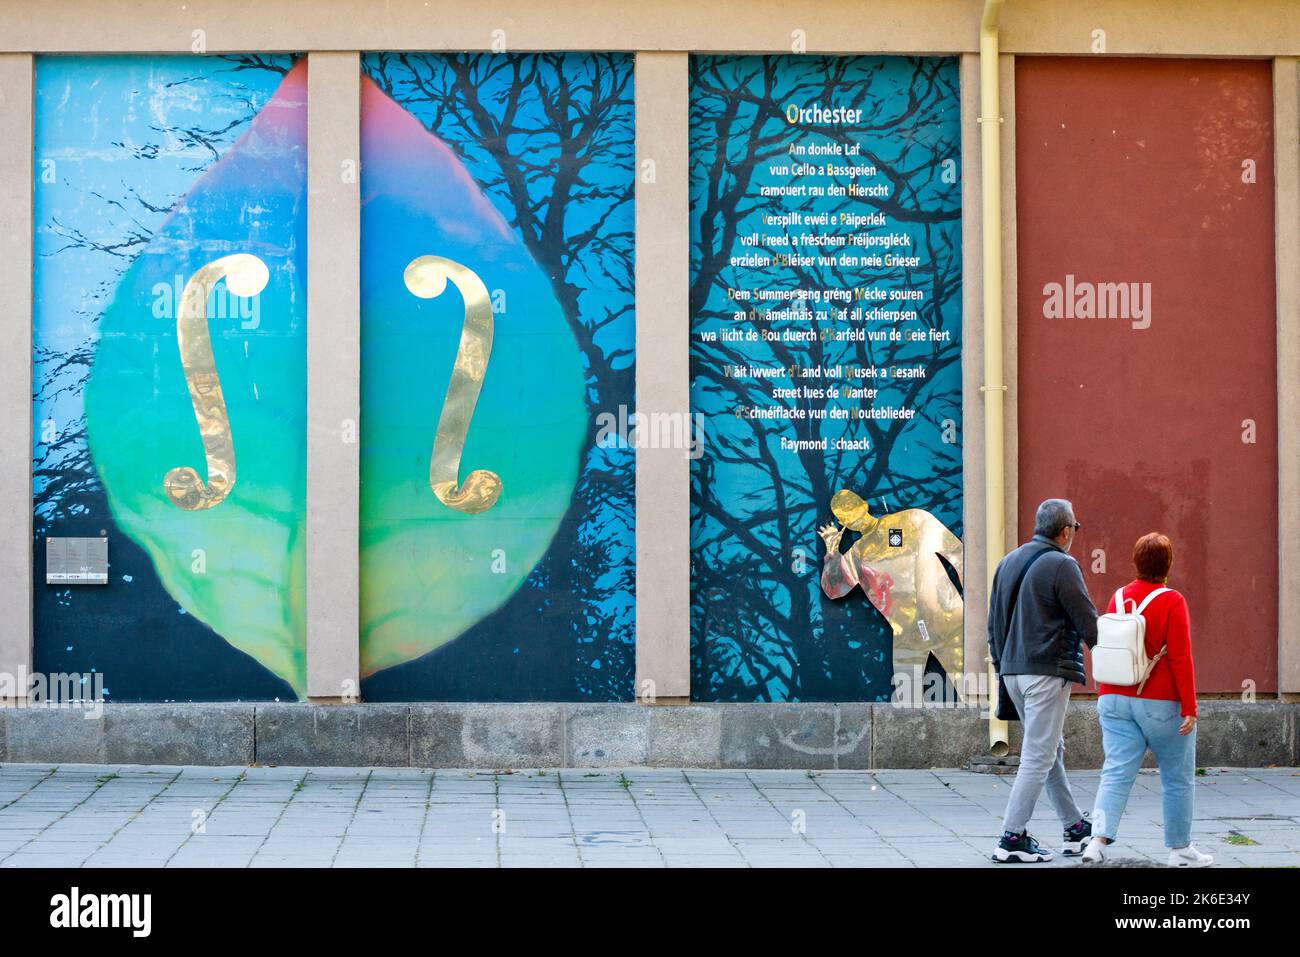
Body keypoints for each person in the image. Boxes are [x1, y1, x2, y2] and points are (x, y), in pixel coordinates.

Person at [1082, 533, 1212, 867]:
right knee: (1177, 776)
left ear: (1136, 562)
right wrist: (1190, 707)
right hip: (1159, 701)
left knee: (1116, 772)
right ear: (1168, 564)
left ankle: (1096, 843)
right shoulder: (1173, 601)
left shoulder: (1119, 596)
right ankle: (1180, 849)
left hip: (1113, 697)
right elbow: (1181, 658)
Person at [987, 498, 1098, 863]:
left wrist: (1004, 667)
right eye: (1075, 529)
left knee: (1051, 749)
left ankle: (1074, 827)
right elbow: (1088, 622)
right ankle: (1012, 837)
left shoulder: (1007, 562)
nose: (1074, 535)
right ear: (1065, 531)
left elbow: (993, 626)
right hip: (1046, 672)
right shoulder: (1062, 565)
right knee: (1038, 755)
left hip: (1012, 672)